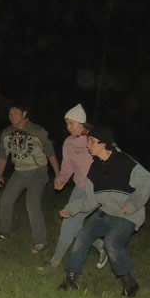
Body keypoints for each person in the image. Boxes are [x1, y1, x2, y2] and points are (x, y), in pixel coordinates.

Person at [57, 125, 150, 298]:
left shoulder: (124, 162)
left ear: (103, 143)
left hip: (127, 215)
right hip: (106, 212)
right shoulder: (94, 169)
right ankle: (71, 279)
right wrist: (71, 208)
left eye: (91, 141)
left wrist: (133, 203)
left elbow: (149, 181)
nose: (88, 145)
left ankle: (129, 282)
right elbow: (91, 201)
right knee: (82, 235)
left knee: (111, 243)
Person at [43, 104, 107, 271]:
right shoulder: (68, 143)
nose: (68, 127)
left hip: (95, 190)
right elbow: (67, 167)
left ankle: (54, 263)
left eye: (71, 123)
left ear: (81, 123)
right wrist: (61, 180)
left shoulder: (94, 139)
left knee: (69, 223)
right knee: (76, 226)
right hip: (79, 187)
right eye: (67, 124)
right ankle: (102, 246)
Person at [0, 104, 60, 253]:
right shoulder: (7, 133)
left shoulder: (37, 131)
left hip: (38, 171)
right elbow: (3, 155)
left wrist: (58, 174)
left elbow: (50, 152)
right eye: (10, 114)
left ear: (24, 114)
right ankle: (4, 232)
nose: (12, 116)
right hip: (20, 172)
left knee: (32, 203)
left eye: (16, 113)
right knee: (6, 200)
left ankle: (40, 242)